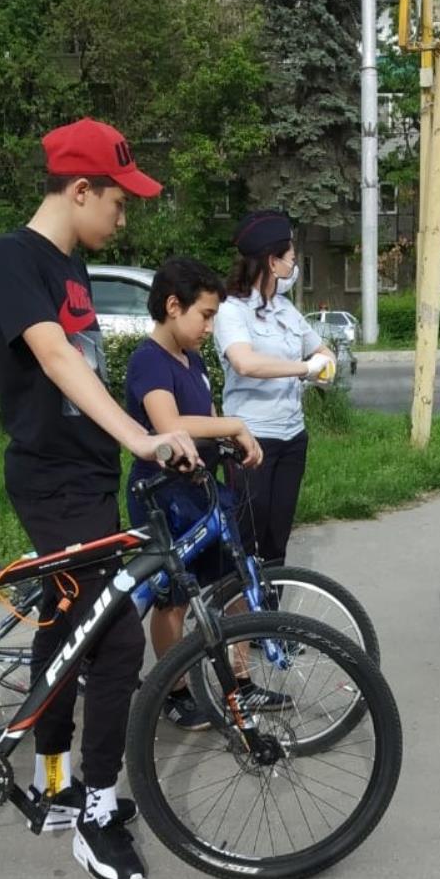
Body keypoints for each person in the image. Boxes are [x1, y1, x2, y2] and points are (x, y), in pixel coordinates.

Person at [0, 117, 199, 879]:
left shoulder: (73, 269)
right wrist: (142, 437)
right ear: (80, 190)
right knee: (114, 644)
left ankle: (55, 791)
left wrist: (131, 438)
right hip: (51, 479)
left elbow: (85, 376)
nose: (124, 213)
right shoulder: (17, 257)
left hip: (85, 477)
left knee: (64, 627)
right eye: (117, 199)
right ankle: (97, 811)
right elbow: (50, 356)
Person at [125, 256, 289, 726]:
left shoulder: (191, 358)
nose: (210, 326)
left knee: (234, 582)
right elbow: (169, 425)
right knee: (173, 597)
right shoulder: (148, 361)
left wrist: (228, 440)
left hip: (200, 488)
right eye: (206, 315)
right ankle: (173, 691)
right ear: (173, 306)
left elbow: (205, 415)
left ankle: (241, 684)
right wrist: (235, 423)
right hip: (163, 495)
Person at [212, 209, 335, 566]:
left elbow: (321, 351)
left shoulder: (286, 309)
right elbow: (245, 363)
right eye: (291, 260)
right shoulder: (231, 310)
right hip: (253, 438)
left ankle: (271, 616)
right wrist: (303, 370)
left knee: (276, 538)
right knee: (247, 534)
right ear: (272, 262)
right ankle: (239, 616)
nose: (294, 268)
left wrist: (323, 367)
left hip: (292, 435)